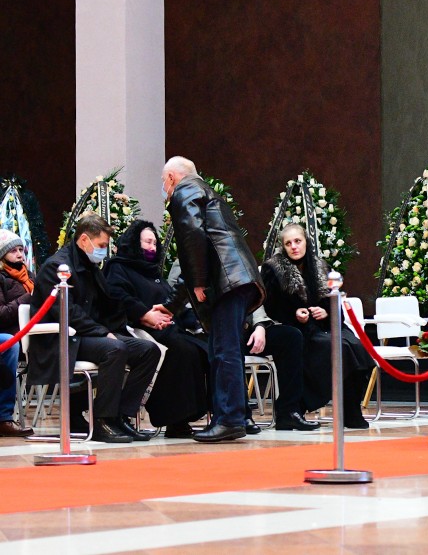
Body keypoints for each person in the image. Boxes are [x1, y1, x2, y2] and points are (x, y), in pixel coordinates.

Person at [28, 213, 160, 443]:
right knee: (115, 349)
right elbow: (68, 313)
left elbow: (105, 304)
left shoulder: (90, 266)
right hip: (64, 339)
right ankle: (102, 420)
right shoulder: (57, 267)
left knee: (148, 350)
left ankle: (120, 415)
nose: (103, 251)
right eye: (101, 245)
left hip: (89, 335)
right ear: (84, 240)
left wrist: (123, 323)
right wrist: (104, 332)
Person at [162, 156, 263, 443]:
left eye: (163, 182)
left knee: (224, 351)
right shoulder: (205, 192)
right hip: (235, 279)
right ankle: (229, 417)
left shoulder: (185, 190)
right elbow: (198, 252)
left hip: (226, 282)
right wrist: (171, 305)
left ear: (171, 177)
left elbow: (193, 237)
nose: (164, 189)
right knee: (223, 350)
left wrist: (199, 281)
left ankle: (230, 419)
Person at [259, 223, 373, 429]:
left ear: (306, 242)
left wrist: (326, 312)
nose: (294, 246)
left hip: (325, 325)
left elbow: (335, 304)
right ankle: (300, 405)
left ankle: (350, 410)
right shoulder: (272, 269)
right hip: (297, 329)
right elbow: (271, 307)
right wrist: (295, 314)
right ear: (283, 247)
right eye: (288, 243)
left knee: (356, 347)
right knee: (333, 347)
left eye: (297, 241)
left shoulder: (321, 266)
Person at [104, 220, 210, 438]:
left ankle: (199, 415)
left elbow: (171, 303)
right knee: (182, 350)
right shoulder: (118, 267)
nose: (152, 247)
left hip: (169, 329)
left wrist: (197, 321)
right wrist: (145, 314)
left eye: (154, 243)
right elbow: (118, 297)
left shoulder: (153, 272)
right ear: (134, 242)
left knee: (204, 348)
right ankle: (174, 420)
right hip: (139, 328)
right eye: (147, 242)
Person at [0, 230, 34, 436]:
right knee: (9, 342)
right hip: (11, 337)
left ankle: (75, 412)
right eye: (13, 251)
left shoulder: (30, 277)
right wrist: (28, 297)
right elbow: (2, 315)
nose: (20, 254)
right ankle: (4, 418)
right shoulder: (1, 278)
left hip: (34, 334)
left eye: (21, 249)